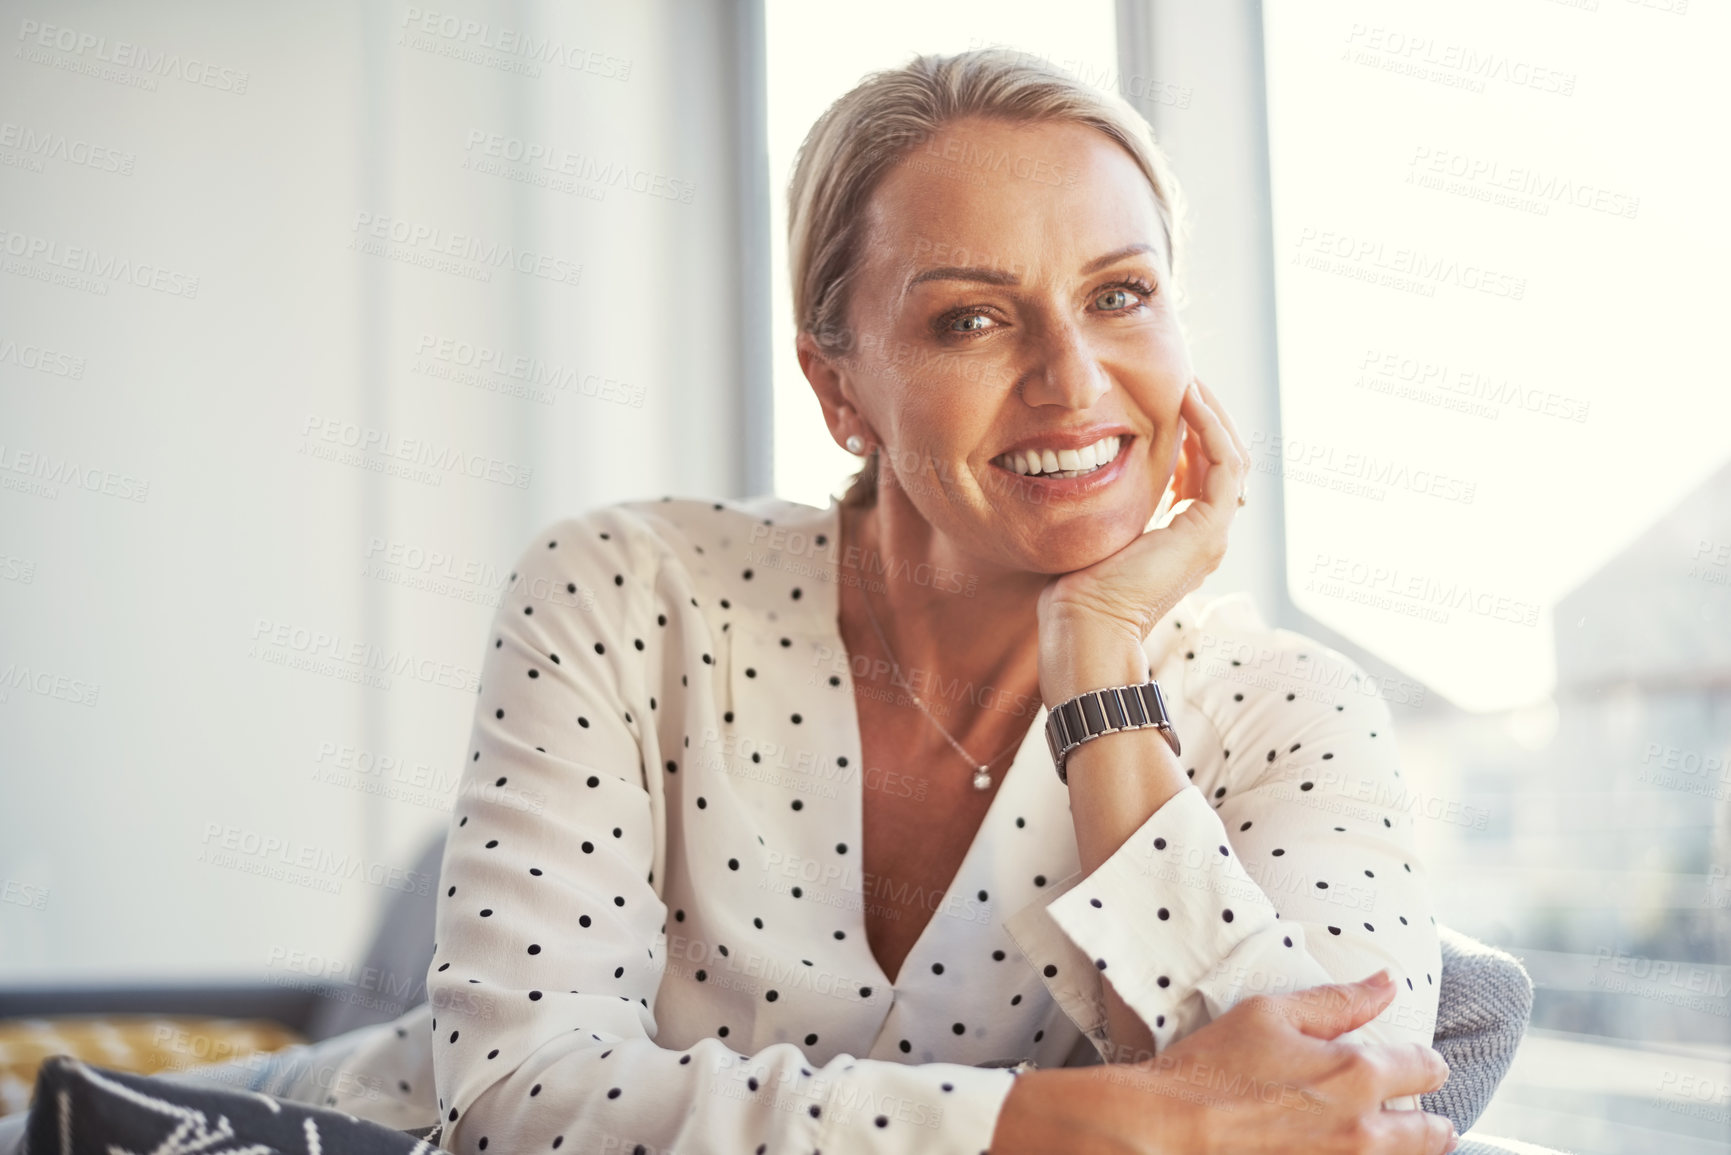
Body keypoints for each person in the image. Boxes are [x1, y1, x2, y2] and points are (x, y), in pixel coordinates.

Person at [425, 48, 1458, 1154]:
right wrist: (1076, 1126)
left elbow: (1349, 1116)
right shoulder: (625, 592)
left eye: (1120, 295)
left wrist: (1099, 665)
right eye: (971, 320)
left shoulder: (1292, 711)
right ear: (840, 388)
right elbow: (514, 1105)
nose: (1072, 381)